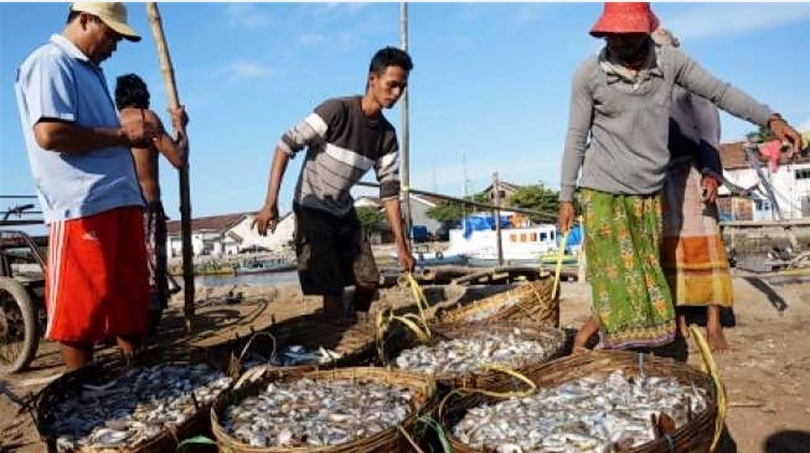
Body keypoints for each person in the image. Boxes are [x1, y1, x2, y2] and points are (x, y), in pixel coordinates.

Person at [558, 2, 803, 352]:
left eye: (629, 37)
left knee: (649, 276)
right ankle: (614, 351)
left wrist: (771, 120)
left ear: (645, 32)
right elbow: (575, 136)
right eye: (613, 36)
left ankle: (634, 347)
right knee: (614, 278)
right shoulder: (588, 75)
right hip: (602, 190)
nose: (621, 44)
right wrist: (566, 196)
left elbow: (720, 92)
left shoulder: (670, 62)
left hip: (648, 190)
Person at [14, 3, 157, 369]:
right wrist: (122, 134)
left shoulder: (91, 70)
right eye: (110, 34)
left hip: (120, 198)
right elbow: (49, 133)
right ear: (86, 20)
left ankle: (134, 381)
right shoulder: (49, 62)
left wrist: (123, 139)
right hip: (80, 203)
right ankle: (83, 393)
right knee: (82, 313)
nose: (115, 45)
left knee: (130, 302)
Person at [253, 46, 417, 323]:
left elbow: (389, 192)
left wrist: (401, 245)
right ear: (372, 79)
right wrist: (270, 203)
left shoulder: (387, 136)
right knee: (331, 287)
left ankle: (357, 325)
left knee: (369, 280)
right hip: (311, 205)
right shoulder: (336, 111)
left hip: (342, 208)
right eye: (392, 85)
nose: (397, 94)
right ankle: (335, 337)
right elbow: (284, 146)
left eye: (402, 87)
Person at [652, 28, 734, 353]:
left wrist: (712, 172)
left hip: (693, 171)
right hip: (660, 176)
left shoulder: (690, 80)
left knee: (707, 245)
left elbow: (709, 129)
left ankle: (714, 323)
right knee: (670, 249)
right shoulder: (647, 88)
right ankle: (679, 319)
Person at [114, 73, 189, 335]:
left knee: (123, 274)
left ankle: (127, 334)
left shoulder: (110, 123)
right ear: (143, 94)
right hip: (146, 207)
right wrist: (181, 127)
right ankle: (143, 336)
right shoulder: (146, 119)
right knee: (151, 277)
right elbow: (179, 158)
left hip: (116, 210)